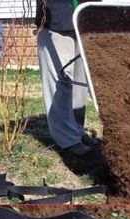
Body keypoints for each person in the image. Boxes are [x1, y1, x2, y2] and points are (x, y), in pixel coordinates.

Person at [35, 0, 99, 156]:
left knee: (80, 83)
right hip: (57, 22)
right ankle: (67, 138)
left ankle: (77, 130)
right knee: (61, 82)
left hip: (85, 17)